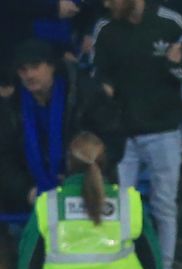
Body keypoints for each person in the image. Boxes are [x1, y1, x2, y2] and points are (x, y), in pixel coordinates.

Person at [93, 0, 182, 269]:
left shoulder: (170, 23)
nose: (106, 3)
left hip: (164, 131)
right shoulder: (106, 29)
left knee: (164, 206)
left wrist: (176, 63)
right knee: (118, 208)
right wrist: (103, 89)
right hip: (123, 136)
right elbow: (97, 75)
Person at [16, 131, 169, 269]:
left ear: (68, 163)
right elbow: (153, 265)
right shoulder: (128, 203)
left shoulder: (48, 206)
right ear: (105, 162)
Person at [0, 38, 123, 196]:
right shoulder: (12, 105)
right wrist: (27, 190)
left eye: (35, 67)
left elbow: (111, 142)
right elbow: (4, 157)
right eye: (23, 70)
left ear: (51, 67)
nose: (29, 75)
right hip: (32, 194)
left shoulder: (85, 93)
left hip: (89, 189)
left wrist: (77, 180)